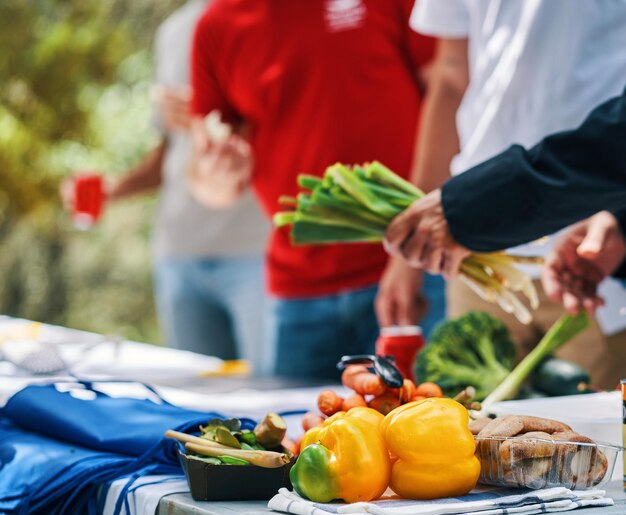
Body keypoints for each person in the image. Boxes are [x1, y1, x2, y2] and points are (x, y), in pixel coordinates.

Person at [188, 0, 438, 379]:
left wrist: (410, 253)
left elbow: (447, 91)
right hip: (297, 292)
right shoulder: (215, 26)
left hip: (411, 269)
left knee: (429, 427)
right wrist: (218, 172)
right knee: (301, 433)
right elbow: (209, 183)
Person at [391, 0, 626, 389]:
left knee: (599, 440)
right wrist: (410, 247)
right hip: (471, 251)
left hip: (593, 248)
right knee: (472, 436)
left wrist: (620, 219)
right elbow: (450, 78)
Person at [63, 0, 270, 368]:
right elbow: (172, 152)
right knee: (199, 406)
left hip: (257, 252)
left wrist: (210, 114)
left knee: (271, 400)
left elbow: (301, 123)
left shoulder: (273, 17)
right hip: (179, 255)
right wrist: (116, 188)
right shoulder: (173, 31)